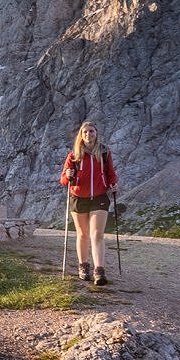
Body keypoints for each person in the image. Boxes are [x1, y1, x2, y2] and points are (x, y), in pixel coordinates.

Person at [60, 121, 118, 285]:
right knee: (83, 234)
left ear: (96, 133)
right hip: (78, 198)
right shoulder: (74, 155)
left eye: (91, 131)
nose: (88, 134)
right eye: (85, 132)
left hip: (100, 197)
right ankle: (83, 266)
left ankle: (99, 271)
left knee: (97, 234)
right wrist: (68, 175)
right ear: (81, 135)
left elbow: (111, 173)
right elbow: (63, 180)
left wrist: (113, 184)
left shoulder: (105, 152)